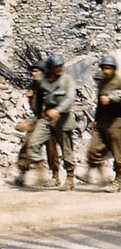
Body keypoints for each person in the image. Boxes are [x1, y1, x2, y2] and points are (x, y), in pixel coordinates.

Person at [80, 55, 121, 192]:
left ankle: (118, 179)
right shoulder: (103, 82)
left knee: (118, 154)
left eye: (109, 68)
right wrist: (96, 120)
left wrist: (112, 100)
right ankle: (100, 174)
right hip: (102, 122)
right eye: (104, 68)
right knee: (93, 149)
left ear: (114, 69)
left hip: (117, 122)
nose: (106, 71)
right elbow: (99, 104)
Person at [23, 54, 77, 190]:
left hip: (63, 118)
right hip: (46, 118)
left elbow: (70, 98)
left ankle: (70, 178)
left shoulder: (67, 80)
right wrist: (35, 109)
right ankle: (43, 167)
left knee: (66, 150)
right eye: (56, 67)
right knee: (33, 143)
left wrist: (58, 110)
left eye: (60, 66)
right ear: (50, 68)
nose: (59, 69)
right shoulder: (43, 82)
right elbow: (39, 101)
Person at [14, 60, 61, 187]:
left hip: (50, 120)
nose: (32, 73)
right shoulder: (33, 87)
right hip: (38, 119)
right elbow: (35, 110)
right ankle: (22, 173)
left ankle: (55, 176)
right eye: (32, 71)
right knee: (27, 145)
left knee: (51, 149)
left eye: (36, 71)